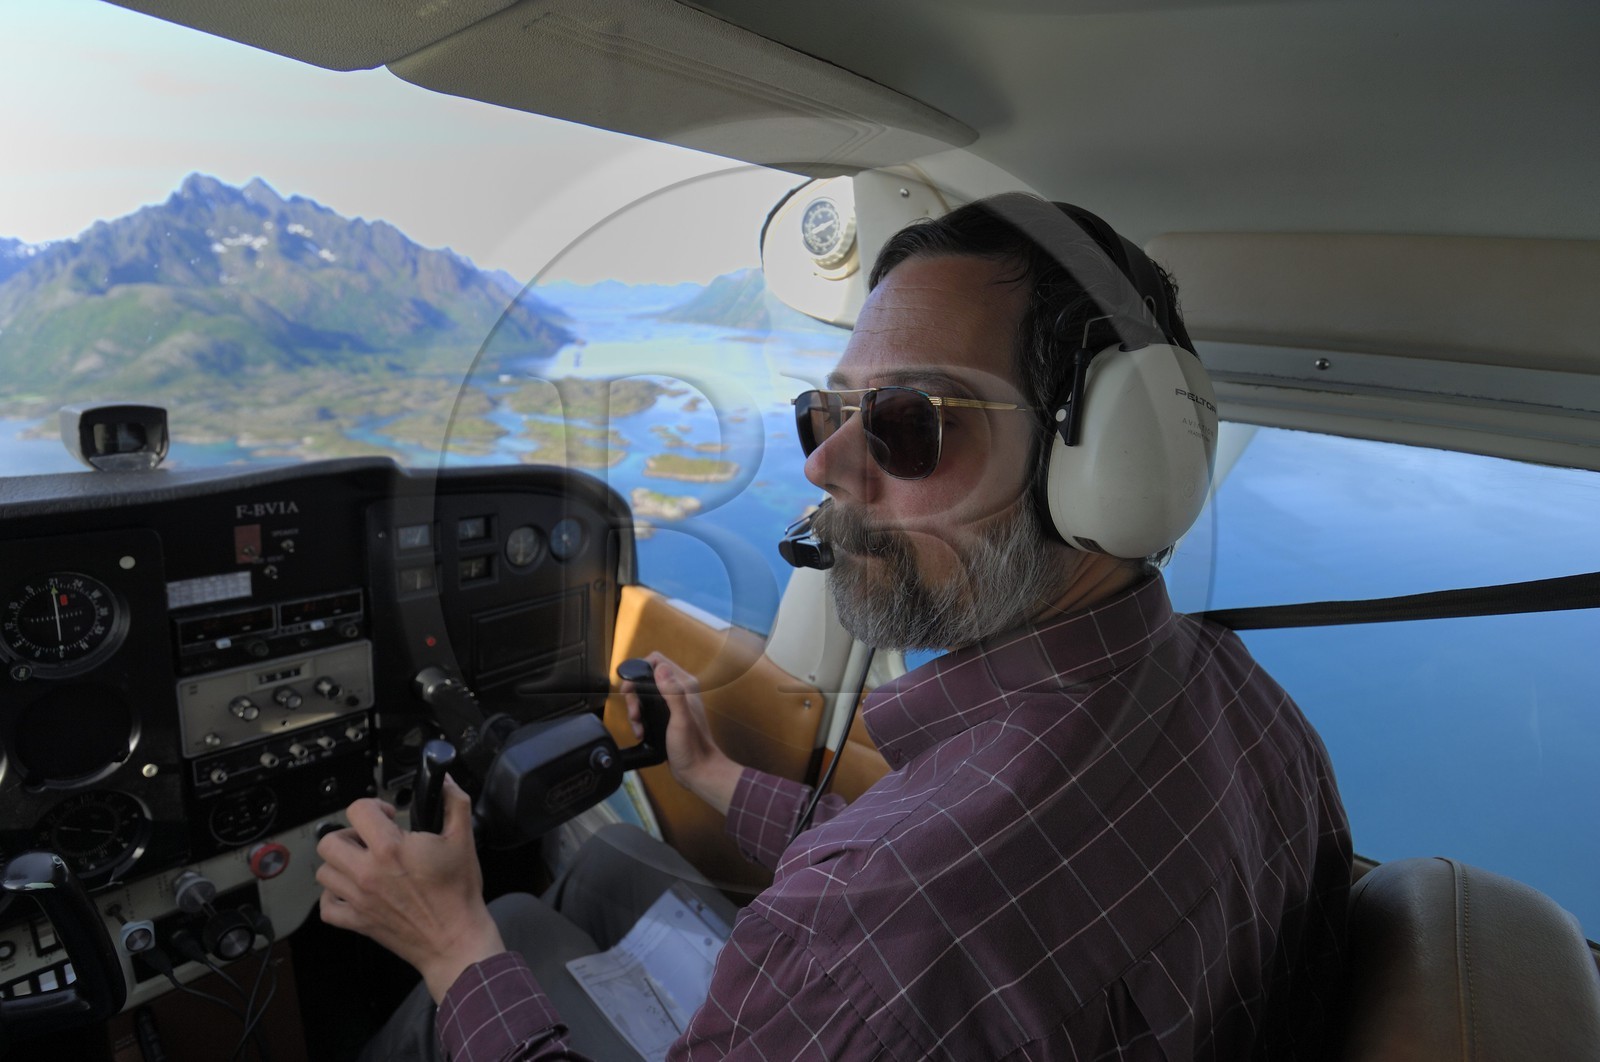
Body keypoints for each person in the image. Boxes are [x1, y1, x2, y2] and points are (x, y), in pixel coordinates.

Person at [317, 193, 1352, 1060]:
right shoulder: (1248, 710)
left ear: (1104, 466)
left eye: (908, 423)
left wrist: (449, 944)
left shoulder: (887, 928)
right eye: (829, 412)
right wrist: (715, 774)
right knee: (586, 873)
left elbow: (898, 907)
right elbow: (915, 854)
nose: (823, 466)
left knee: (504, 930)